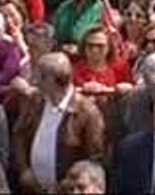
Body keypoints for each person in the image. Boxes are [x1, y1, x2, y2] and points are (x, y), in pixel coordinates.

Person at [10, 53, 105, 193]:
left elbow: (94, 159)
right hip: (31, 189)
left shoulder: (87, 113)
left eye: (40, 76)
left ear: (52, 80)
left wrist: (67, 185)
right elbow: (19, 134)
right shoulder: (35, 101)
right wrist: (24, 169)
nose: (35, 81)